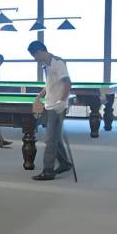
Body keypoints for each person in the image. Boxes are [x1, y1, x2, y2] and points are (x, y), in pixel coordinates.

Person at [27, 41, 73, 181]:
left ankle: (48, 171)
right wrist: (39, 95)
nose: (35, 59)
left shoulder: (57, 63)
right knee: (54, 137)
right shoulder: (46, 65)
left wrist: (62, 101)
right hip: (49, 104)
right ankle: (64, 163)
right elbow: (49, 84)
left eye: (34, 55)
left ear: (40, 52)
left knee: (50, 139)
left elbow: (67, 82)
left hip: (57, 106)